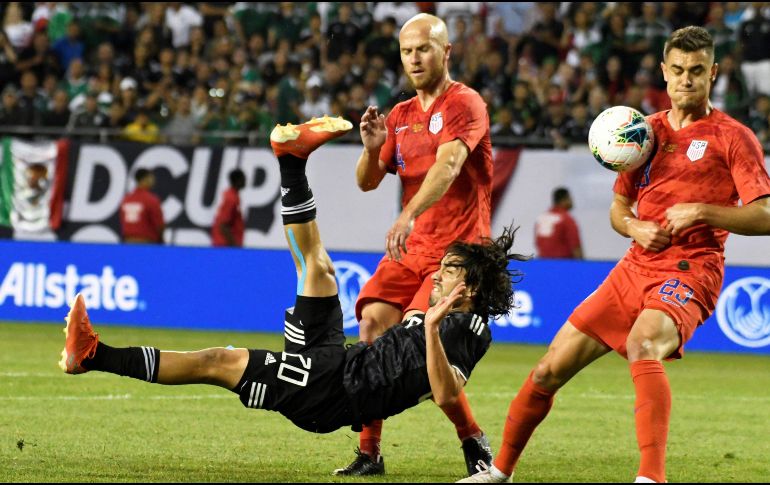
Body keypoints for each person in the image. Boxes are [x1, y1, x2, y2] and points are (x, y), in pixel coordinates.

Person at [60, 119, 528, 480]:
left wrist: (430, 330)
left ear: (468, 287)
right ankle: (290, 160)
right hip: (337, 362)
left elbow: (445, 393)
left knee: (216, 361)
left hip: (328, 394)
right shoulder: (439, 310)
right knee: (317, 267)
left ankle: (92, 356)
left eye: (448, 271)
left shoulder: (467, 331)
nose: (439, 276)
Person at [460, 26, 770, 484]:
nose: (687, 79)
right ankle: (499, 471)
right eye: (678, 70)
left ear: (714, 74)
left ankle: (651, 478)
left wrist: (704, 211)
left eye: (698, 71)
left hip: (691, 268)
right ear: (664, 72)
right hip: (633, 268)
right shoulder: (642, 133)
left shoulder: (733, 137)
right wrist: (634, 226)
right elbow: (619, 208)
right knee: (548, 369)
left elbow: (764, 215)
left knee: (643, 344)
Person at [347, 13, 494, 477]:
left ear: (445, 52)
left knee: (420, 352)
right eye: (407, 50)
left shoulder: (464, 104)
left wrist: (407, 214)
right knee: (370, 328)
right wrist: (372, 149)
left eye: (424, 48)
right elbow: (367, 183)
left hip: (458, 255)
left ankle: (474, 442)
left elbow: (449, 167)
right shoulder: (401, 116)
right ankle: (369, 452)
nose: (414, 57)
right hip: (411, 252)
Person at [534, 187, 583, 259]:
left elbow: (538, 242)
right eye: (570, 198)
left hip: (543, 263)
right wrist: (581, 265)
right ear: (565, 199)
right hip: (563, 264)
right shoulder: (566, 219)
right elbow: (575, 246)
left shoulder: (542, 218)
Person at [119, 168, 164, 244]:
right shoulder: (151, 200)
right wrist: (161, 239)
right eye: (151, 178)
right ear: (145, 179)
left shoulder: (126, 199)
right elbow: (159, 225)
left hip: (128, 243)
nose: (153, 181)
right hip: (146, 244)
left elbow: (122, 221)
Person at [211, 168, 246, 247]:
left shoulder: (232, 196)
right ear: (238, 180)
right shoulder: (231, 199)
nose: (245, 181)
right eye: (243, 178)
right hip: (224, 246)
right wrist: (234, 246)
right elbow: (223, 226)